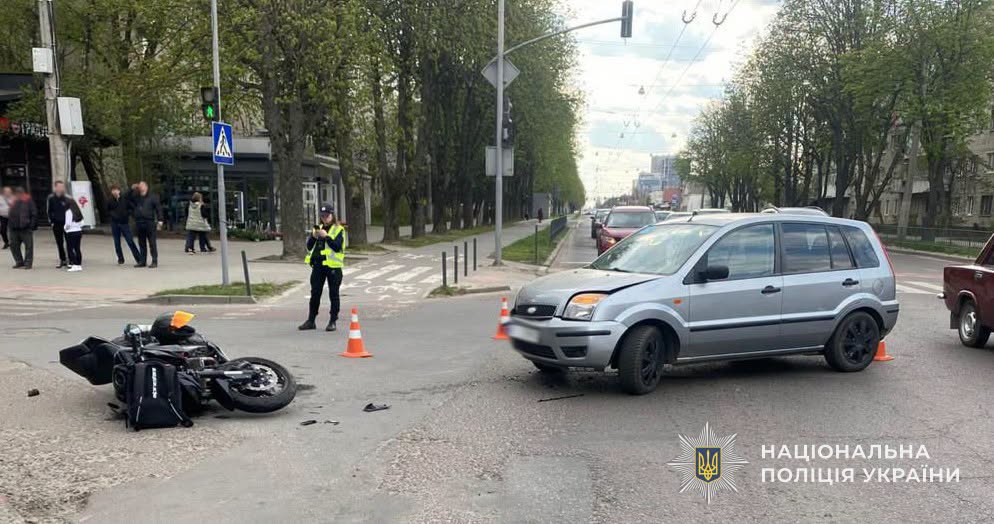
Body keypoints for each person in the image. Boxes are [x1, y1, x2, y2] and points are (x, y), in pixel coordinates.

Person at [299, 203, 347, 332]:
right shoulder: (317, 228)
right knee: (315, 293)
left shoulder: (338, 229)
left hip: (333, 267)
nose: (325, 218)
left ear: (332, 216)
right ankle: (311, 320)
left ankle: (332, 321)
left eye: (327, 216)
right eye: (323, 216)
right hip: (318, 266)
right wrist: (314, 237)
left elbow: (337, 247)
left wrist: (326, 236)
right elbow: (309, 246)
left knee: (333, 294)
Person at [129, 181, 163, 268]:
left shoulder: (153, 197)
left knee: (152, 242)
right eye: (139, 186)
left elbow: (158, 208)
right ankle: (142, 261)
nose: (141, 187)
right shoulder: (136, 197)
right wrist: (131, 189)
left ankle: (154, 261)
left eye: (143, 186)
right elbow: (126, 198)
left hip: (149, 222)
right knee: (141, 243)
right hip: (139, 222)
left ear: (147, 187)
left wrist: (160, 220)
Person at [107, 185, 140, 265]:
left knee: (130, 241)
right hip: (115, 223)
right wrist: (113, 216)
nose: (114, 192)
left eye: (116, 190)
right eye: (113, 190)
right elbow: (107, 210)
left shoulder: (124, 199)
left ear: (119, 191)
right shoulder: (109, 200)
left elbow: (129, 198)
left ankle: (138, 258)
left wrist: (128, 213)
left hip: (124, 222)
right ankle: (120, 258)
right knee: (117, 242)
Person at [8, 187, 37, 269]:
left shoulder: (28, 201)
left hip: (25, 228)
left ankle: (28, 263)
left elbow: (34, 213)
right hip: (13, 228)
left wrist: (31, 226)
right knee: (13, 246)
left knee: (28, 247)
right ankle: (19, 261)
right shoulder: (13, 201)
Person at [46, 180, 70, 268]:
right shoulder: (51, 198)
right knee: (59, 242)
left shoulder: (67, 198)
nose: (61, 188)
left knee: (69, 241)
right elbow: (49, 211)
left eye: (62, 187)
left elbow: (71, 210)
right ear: (56, 187)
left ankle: (70, 259)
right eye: (59, 187)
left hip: (66, 223)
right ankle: (62, 259)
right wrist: (51, 221)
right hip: (56, 223)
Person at [64, 197, 84, 272]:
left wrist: (65, 228)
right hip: (78, 231)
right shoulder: (77, 211)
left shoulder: (68, 212)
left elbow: (68, 224)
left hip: (71, 232)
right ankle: (78, 264)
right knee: (77, 248)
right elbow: (82, 223)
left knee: (70, 249)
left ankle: (75, 264)